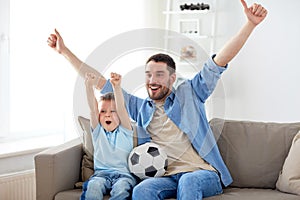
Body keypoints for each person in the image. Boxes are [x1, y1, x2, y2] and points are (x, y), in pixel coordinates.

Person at [47, 0, 267, 199]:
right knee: (142, 190)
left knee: (189, 182)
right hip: (165, 176)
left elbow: (218, 62)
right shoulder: (139, 107)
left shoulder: (191, 93)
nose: (152, 80)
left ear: (172, 78)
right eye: (148, 74)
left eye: (159, 75)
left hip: (201, 173)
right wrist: (64, 51)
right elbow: (97, 80)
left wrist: (250, 25)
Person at [81, 72, 136, 199]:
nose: (107, 115)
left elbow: (121, 108)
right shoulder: (98, 132)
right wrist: (89, 86)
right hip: (101, 175)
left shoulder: (125, 130)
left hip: (124, 176)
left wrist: (116, 87)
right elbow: (92, 109)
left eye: (112, 111)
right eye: (103, 111)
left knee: (121, 189)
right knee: (94, 186)